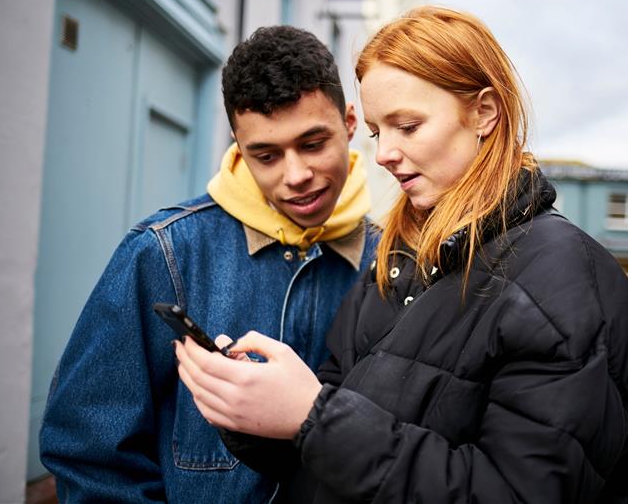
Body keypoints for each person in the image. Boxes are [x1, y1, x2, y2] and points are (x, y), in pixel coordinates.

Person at [175, 6, 628, 503]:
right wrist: (258, 409)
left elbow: (517, 491)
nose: (382, 153)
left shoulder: (566, 277)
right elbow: (331, 452)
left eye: (407, 126)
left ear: (484, 113)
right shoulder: (399, 255)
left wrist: (314, 415)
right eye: (377, 132)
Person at [39, 26, 377, 502]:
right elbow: (89, 450)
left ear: (349, 122)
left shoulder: (392, 262)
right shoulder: (164, 252)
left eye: (313, 143)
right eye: (266, 155)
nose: (297, 175)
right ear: (238, 147)